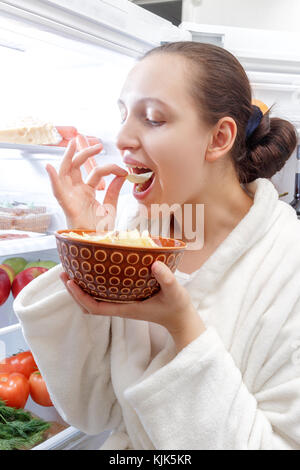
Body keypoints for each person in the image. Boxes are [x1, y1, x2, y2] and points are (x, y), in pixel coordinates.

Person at [14, 42, 300, 450]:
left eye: (152, 119)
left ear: (218, 137)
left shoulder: (288, 262)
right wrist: (90, 250)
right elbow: (94, 411)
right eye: (124, 115)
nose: (123, 137)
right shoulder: (139, 237)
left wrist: (183, 326)